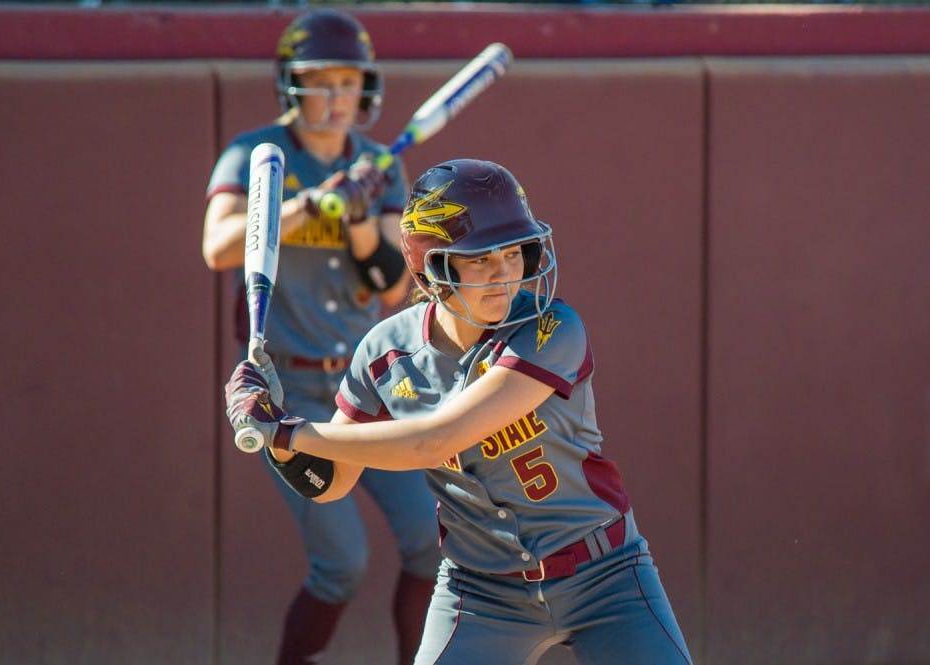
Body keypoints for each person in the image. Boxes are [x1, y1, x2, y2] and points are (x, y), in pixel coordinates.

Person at [225, 158, 695, 665]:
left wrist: (290, 432)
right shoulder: (385, 351)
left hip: (604, 576)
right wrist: (272, 429)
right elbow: (331, 481)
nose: (504, 275)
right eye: (481, 260)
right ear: (434, 268)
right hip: (481, 594)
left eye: (514, 254)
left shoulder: (551, 327)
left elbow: (435, 440)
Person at [202, 10, 441, 665]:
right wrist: (308, 204)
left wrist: (360, 219)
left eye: (347, 82)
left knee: (433, 535)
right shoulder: (257, 154)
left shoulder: (377, 165)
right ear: (290, 85)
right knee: (342, 563)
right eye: (320, 82)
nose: (336, 98)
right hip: (289, 386)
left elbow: (394, 285)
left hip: (371, 384)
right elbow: (218, 245)